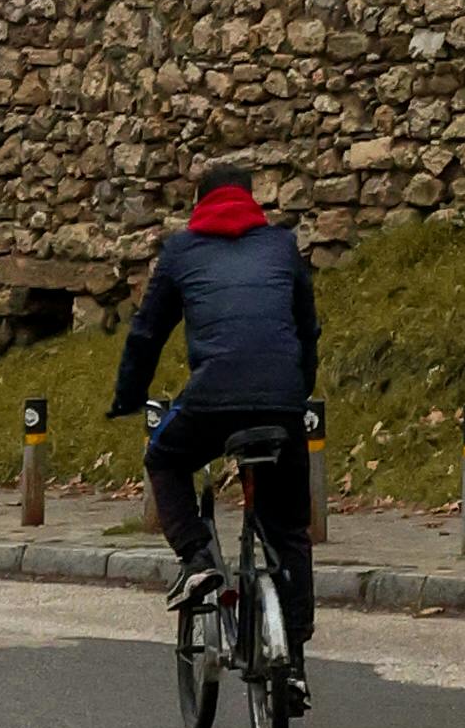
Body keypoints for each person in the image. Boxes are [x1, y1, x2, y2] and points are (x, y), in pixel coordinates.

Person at [108, 153, 317, 630]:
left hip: (214, 399)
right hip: (282, 402)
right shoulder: (282, 246)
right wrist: (297, 389)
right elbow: (308, 328)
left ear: (199, 203)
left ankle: (197, 558)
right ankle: (295, 655)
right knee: (289, 528)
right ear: (252, 201)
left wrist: (129, 395)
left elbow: (147, 333)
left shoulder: (183, 250)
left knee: (165, 458)